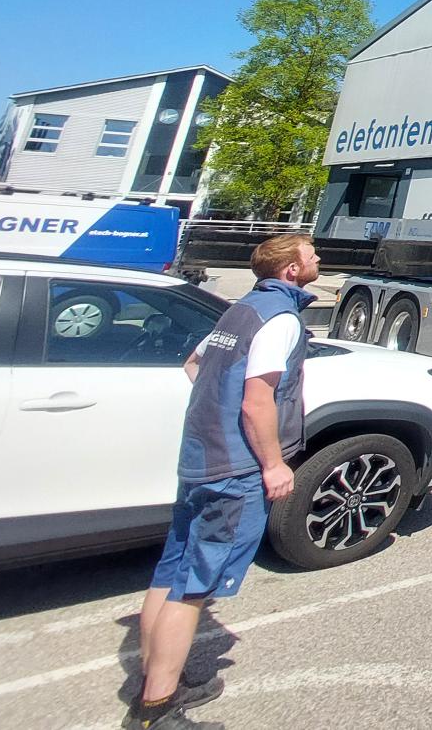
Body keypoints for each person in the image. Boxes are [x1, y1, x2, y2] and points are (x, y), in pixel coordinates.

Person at [126, 232, 321, 730]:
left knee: (172, 572)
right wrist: (273, 464)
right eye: (310, 253)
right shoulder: (280, 319)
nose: (318, 257)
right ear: (291, 271)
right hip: (234, 470)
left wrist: (219, 417)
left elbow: (194, 365)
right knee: (195, 588)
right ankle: (157, 709)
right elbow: (257, 399)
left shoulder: (241, 310)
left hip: (200, 459)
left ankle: (156, 676)